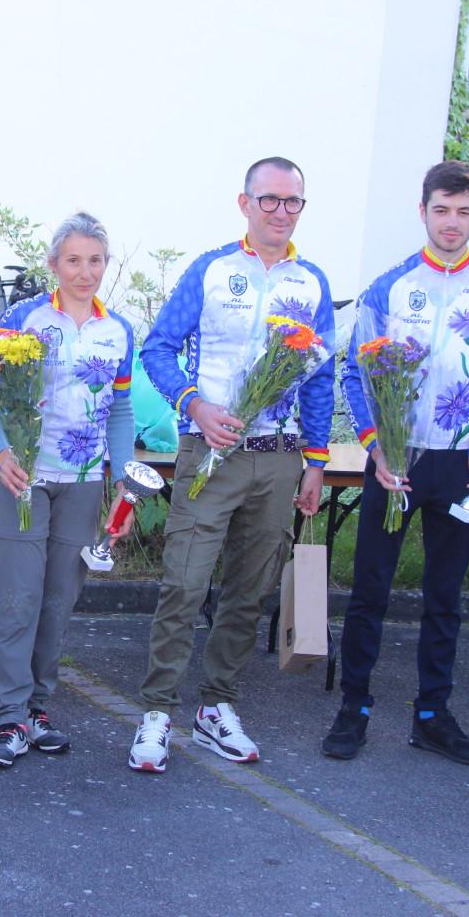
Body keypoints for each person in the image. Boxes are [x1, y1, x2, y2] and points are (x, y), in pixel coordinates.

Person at [129, 157, 335, 773]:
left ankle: (216, 706)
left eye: (292, 201)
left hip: (278, 458)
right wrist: (194, 404)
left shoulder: (312, 283)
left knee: (250, 591)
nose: (280, 211)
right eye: (268, 199)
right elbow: (158, 348)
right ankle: (157, 712)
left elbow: (318, 378)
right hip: (209, 453)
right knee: (184, 584)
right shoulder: (212, 270)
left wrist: (316, 462)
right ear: (244, 203)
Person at [321, 160, 469, 765]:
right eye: (441, 210)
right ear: (423, 211)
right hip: (395, 459)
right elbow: (357, 373)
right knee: (370, 590)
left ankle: (433, 714)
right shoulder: (389, 287)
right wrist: (375, 443)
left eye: (464, 211)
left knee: (445, 595)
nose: (452, 222)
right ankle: (353, 706)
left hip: (460, 463)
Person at [0, 213, 137, 767]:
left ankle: (38, 709)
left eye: (95, 261)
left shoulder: (118, 331)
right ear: (53, 265)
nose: (84, 272)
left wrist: (124, 476)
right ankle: (9, 718)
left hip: (84, 482)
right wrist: (1, 453)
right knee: (18, 601)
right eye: (73, 260)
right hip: (25, 479)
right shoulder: (25, 318)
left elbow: (120, 408)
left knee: (58, 602)